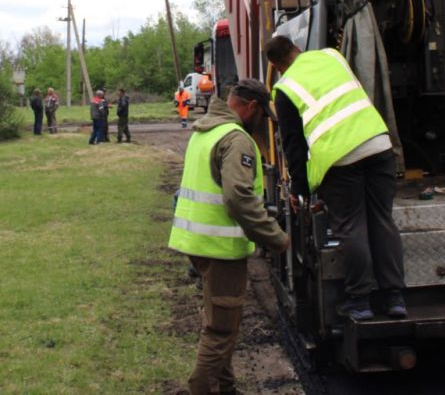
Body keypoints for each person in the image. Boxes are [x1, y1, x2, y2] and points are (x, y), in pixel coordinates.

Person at [264, 35, 406, 321]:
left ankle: (360, 300)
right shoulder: (332, 56)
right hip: (378, 144)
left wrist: (300, 188)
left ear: (278, 66)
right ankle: (394, 298)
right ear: (298, 49)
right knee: (382, 220)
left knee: (352, 226)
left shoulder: (285, 89)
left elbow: (293, 146)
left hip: (340, 160)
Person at [169, 79, 290, 395]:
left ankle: (227, 388)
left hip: (197, 243)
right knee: (221, 330)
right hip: (220, 248)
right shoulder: (236, 139)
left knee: (220, 323)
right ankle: (201, 389)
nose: (261, 122)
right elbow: (237, 197)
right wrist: (275, 237)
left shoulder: (205, 131)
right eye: (262, 115)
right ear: (251, 107)